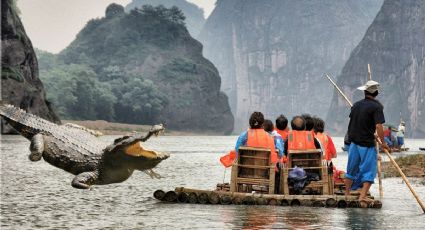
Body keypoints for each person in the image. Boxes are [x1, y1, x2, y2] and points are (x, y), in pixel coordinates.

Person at [344, 80, 389, 204]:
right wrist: (383, 143)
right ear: (376, 93)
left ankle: (347, 193)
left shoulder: (356, 105)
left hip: (353, 142)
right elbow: (379, 126)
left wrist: (370, 132)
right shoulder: (377, 107)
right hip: (366, 144)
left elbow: (355, 122)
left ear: (364, 92)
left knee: (351, 170)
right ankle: (362, 196)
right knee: (369, 171)